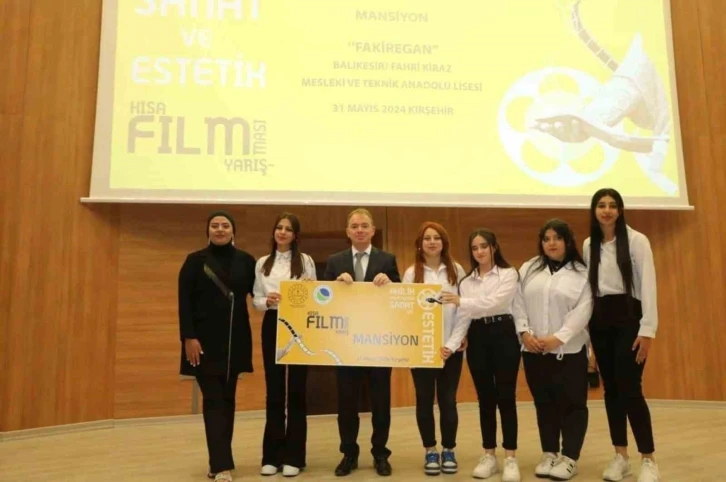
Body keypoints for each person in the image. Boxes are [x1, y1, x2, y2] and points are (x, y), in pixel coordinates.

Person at [584, 188, 660, 482]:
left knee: (630, 388)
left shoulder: (637, 241)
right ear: (594, 210)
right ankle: (621, 456)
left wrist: (647, 329)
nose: (607, 210)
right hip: (600, 320)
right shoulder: (589, 244)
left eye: (612, 205)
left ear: (620, 210)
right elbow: (589, 291)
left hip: (630, 318)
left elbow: (648, 285)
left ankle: (649, 459)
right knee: (611, 390)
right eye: (601, 205)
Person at [178, 211, 256, 482]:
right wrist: (188, 337)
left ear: (233, 231)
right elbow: (184, 302)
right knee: (213, 401)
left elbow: (258, 294)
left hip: (235, 342)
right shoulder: (194, 261)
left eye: (225, 225)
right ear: (208, 230)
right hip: (202, 344)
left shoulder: (246, 261)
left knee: (227, 401)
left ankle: (218, 461)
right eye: (215, 225)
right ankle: (222, 465)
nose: (220, 229)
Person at [323, 208, 401, 477]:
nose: (359, 230)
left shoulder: (387, 259)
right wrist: (335, 285)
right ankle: (349, 453)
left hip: (379, 344)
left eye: (364, 226)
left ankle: (380, 453)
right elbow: (323, 300)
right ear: (347, 231)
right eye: (354, 226)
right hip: (345, 346)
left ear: (372, 230)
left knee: (381, 403)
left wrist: (390, 283)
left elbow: (400, 298)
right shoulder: (335, 261)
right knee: (346, 404)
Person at [514, 219, 593, 481]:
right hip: (534, 350)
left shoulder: (582, 273)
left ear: (568, 241)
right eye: (546, 238)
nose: (551, 243)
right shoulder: (529, 268)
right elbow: (518, 302)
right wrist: (524, 332)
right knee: (544, 404)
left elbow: (584, 310)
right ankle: (549, 452)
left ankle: (569, 457)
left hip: (569, 351)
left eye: (557, 238)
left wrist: (558, 338)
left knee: (573, 405)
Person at [442, 229, 522, 481]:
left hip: (504, 333)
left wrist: (461, 301)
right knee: (485, 399)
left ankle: (510, 458)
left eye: (484, 246)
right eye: (475, 248)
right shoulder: (467, 282)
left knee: (506, 397)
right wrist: (451, 345)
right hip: (477, 338)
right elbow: (464, 318)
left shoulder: (509, 274)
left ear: (494, 247)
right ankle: (489, 455)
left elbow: (496, 303)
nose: (479, 251)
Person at [252, 213, 317, 477]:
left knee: (297, 391)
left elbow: (313, 294)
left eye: (288, 229)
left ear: (295, 235)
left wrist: (305, 291)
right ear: (273, 232)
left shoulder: (306, 261)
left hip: (299, 324)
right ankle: (272, 456)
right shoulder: (262, 263)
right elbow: (256, 300)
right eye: (279, 227)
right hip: (272, 323)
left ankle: (295, 457)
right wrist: (266, 301)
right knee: (275, 390)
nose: (282, 232)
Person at [402, 222, 467, 476]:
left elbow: (464, 309)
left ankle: (449, 449)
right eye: (427, 238)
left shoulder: (456, 270)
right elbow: (407, 312)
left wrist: (453, 343)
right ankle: (430, 450)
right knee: (424, 400)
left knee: (448, 400)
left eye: (436, 238)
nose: (432, 242)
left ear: (444, 243)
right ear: (420, 244)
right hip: (422, 351)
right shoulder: (411, 273)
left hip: (452, 349)